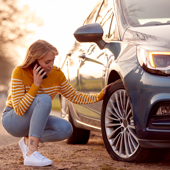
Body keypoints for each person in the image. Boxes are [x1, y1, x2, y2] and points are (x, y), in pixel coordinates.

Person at [1, 39, 111, 167]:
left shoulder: (56, 75)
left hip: (32, 122)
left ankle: (27, 141)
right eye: (47, 62)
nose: (51, 65)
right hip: (13, 120)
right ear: (34, 61)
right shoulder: (20, 72)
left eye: (53, 61)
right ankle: (31, 152)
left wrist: (99, 96)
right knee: (44, 98)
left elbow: (74, 96)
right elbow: (20, 110)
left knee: (65, 129)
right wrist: (36, 85)